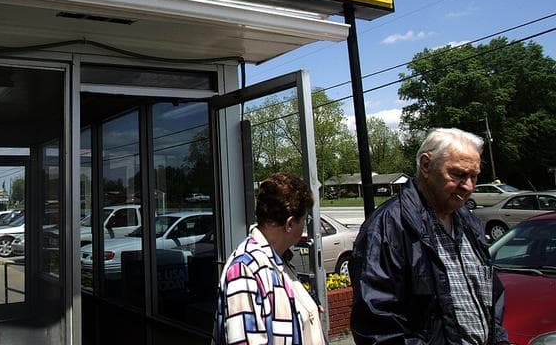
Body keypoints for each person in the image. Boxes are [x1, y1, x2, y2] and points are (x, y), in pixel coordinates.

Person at [350, 128, 509, 345]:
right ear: (426, 165)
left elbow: (491, 297)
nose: (469, 186)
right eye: (459, 174)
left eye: (474, 176)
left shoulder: (470, 223)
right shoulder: (388, 227)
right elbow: (377, 326)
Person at [215, 172, 325, 345]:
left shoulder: (279, 260)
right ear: (289, 224)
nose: (305, 225)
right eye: (305, 219)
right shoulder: (244, 270)